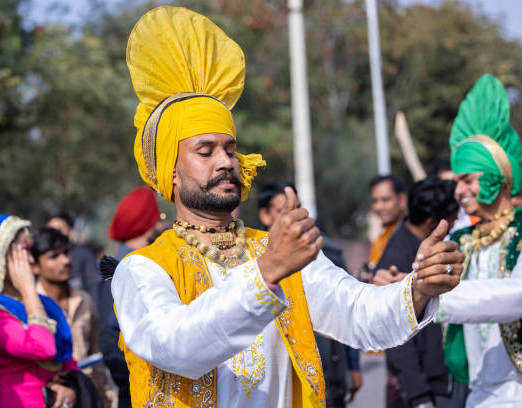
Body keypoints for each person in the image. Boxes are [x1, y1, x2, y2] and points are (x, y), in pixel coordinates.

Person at [111, 6, 463, 407]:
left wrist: (417, 290)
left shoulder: (279, 252)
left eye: (230, 148)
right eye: (205, 151)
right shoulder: (142, 269)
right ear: (170, 173)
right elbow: (178, 346)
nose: (226, 161)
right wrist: (266, 272)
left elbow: (358, 313)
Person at [437, 74, 522, 407]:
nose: (458, 190)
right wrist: (405, 287)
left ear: (495, 175)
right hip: (477, 392)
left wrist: (436, 301)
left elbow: (517, 296)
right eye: (457, 181)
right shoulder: (460, 240)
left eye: (467, 179)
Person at [258, 181, 363, 406]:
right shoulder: (254, 263)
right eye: (282, 212)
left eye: (297, 209)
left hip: (329, 366)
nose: (291, 219)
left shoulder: (326, 251)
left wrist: (353, 366)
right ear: (265, 216)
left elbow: (346, 307)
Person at [0, 214, 80, 408]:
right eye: (23, 250)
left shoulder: (43, 303)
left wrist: (71, 388)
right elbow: (43, 347)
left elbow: (69, 363)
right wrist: (28, 289)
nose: (30, 259)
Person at [374, 178, 462, 408]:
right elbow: (394, 336)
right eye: (452, 220)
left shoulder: (422, 245)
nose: (455, 224)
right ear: (434, 222)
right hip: (425, 390)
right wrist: (420, 397)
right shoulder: (395, 262)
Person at [100, 186, 164, 408]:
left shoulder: (136, 261)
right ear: (147, 224)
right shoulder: (125, 267)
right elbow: (111, 336)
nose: (163, 225)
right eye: (159, 218)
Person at [31, 227, 111, 407]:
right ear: (35, 266)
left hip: (87, 394)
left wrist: (104, 396)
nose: (65, 261)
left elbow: (95, 353)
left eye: (66, 253)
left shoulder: (84, 300)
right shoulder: (30, 307)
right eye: (54, 256)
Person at [46, 212, 101, 303]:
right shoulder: (41, 255)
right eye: (50, 230)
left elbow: (95, 287)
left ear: (71, 230)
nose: (54, 234)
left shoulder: (84, 255)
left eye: (59, 229)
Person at [368, 174, 407, 269]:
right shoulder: (380, 237)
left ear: (402, 200)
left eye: (385, 200)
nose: (379, 207)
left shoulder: (411, 233)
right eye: (374, 201)